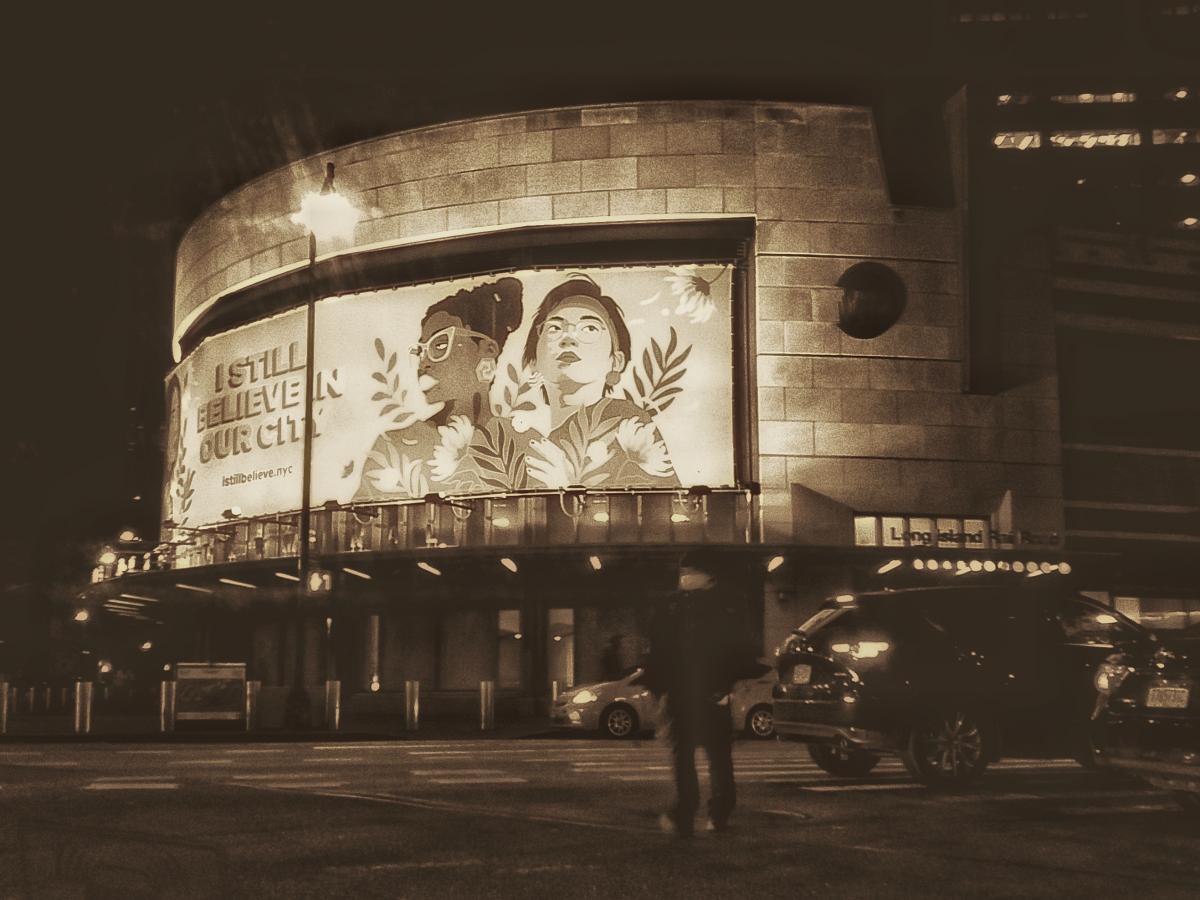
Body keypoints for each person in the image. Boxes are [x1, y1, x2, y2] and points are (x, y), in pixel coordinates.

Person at [635, 549, 766, 837]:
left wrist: (730, 682)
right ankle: (689, 809)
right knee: (691, 753)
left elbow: (737, 649)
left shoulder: (726, 605)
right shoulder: (673, 606)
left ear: (709, 575)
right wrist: (657, 686)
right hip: (684, 689)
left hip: (710, 689)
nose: (686, 577)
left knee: (714, 752)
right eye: (683, 572)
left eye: (692, 571)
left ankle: (715, 809)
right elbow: (658, 648)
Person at [355, 278, 523, 499]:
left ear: (488, 349)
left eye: (440, 345)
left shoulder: (521, 441)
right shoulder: (392, 446)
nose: (424, 362)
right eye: (421, 350)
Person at [517, 274, 679, 489]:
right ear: (533, 360)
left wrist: (566, 487)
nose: (568, 338)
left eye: (590, 328)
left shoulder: (627, 422)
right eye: (554, 328)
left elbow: (654, 507)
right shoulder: (511, 431)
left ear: (616, 361)